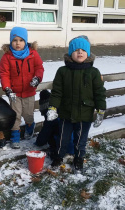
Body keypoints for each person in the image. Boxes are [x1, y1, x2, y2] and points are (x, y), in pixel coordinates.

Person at [47, 35, 106, 170]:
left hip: (84, 114)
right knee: (63, 138)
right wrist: (52, 107)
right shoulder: (62, 71)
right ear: (70, 53)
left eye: (83, 50)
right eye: (76, 50)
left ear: (88, 53)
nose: (80, 52)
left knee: (81, 140)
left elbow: (99, 92)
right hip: (66, 113)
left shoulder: (94, 72)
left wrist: (100, 110)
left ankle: (79, 158)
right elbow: (57, 91)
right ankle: (58, 157)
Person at [0, 27, 44, 149]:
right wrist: (7, 88)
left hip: (29, 92)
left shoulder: (33, 54)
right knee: (15, 115)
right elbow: (4, 74)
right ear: (10, 42)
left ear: (26, 42)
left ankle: (30, 126)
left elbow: (39, 68)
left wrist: (37, 78)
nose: (18, 43)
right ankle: (15, 136)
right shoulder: (7, 57)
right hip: (14, 93)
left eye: (21, 40)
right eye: (15, 40)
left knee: (28, 114)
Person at [35, 89, 74, 160]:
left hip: (65, 147)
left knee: (51, 136)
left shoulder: (51, 120)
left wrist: (39, 140)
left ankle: (59, 155)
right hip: (76, 143)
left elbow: (41, 141)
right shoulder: (61, 110)